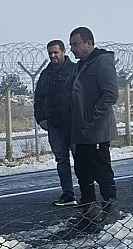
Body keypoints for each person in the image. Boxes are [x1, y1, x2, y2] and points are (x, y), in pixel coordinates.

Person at [68, 26, 120, 227]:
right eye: (71, 45)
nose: (72, 49)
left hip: (97, 130)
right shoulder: (81, 65)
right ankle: (90, 212)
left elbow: (110, 94)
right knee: (83, 171)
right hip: (81, 131)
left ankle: (110, 210)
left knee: (102, 170)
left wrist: (92, 117)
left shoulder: (101, 62)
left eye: (75, 44)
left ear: (88, 43)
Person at [34, 39, 78, 207]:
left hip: (74, 125)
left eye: (55, 52)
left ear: (63, 52)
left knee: (80, 160)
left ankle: (87, 195)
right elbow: (39, 98)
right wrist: (41, 119)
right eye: (50, 53)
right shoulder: (46, 74)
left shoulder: (74, 70)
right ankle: (68, 195)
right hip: (55, 126)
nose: (53, 55)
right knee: (62, 161)